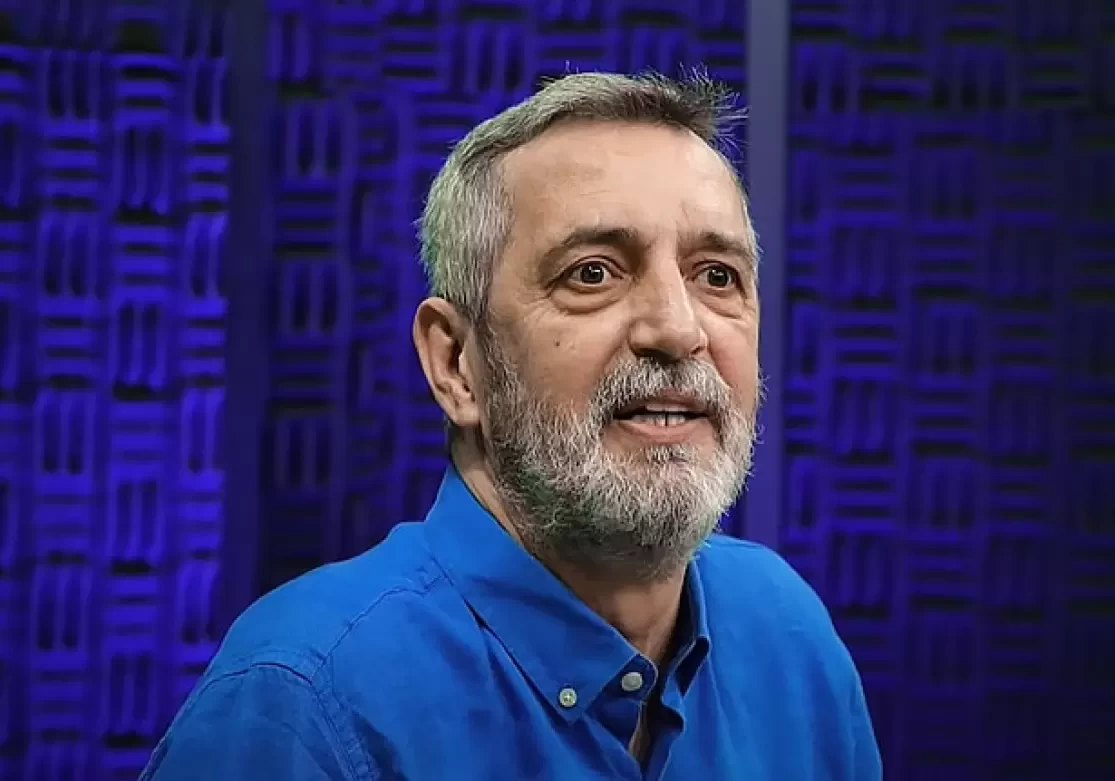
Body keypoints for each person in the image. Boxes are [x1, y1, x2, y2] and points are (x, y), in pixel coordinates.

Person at [141, 71, 881, 780]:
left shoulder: (787, 636)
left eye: (717, 275)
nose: (678, 328)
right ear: (457, 364)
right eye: (593, 272)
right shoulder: (300, 704)